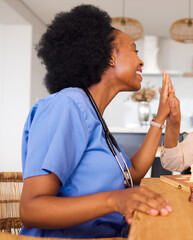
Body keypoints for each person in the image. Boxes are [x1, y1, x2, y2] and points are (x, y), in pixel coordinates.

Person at [19, 5, 177, 238]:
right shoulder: (66, 106)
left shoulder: (91, 112)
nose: (141, 61)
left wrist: (161, 117)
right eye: (134, 51)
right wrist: (115, 200)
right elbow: (32, 209)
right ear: (110, 57)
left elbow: (132, 174)